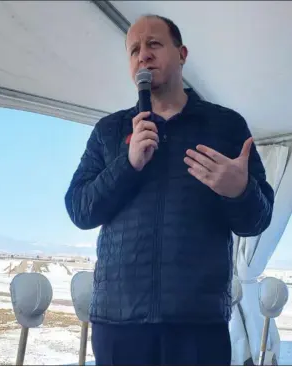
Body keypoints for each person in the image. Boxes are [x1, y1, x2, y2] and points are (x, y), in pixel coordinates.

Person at [64, 14, 274, 365]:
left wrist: (239, 190)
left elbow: (257, 220)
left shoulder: (225, 125)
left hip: (198, 324)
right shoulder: (110, 131)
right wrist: (126, 165)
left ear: (182, 54)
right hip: (119, 323)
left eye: (154, 44)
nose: (143, 55)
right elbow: (79, 209)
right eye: (134, 50)